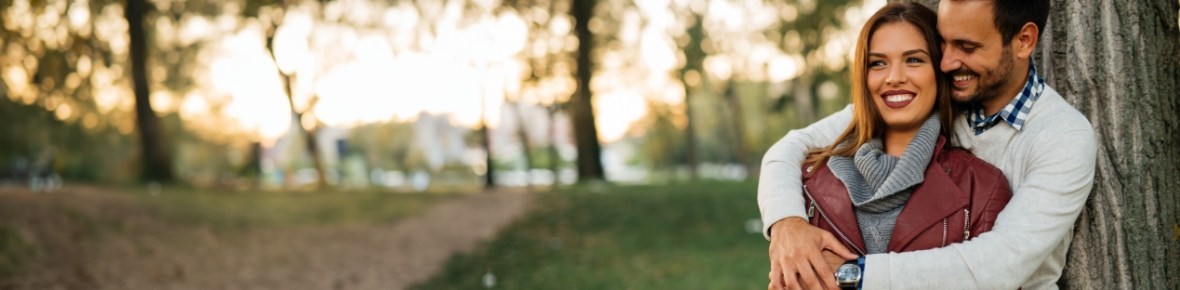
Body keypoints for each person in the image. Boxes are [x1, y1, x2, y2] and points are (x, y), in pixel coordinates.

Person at [760, 0, 1097, 289]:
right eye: (944, 43)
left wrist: (852, 275)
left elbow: (998, 265)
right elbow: (791, 147)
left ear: (1023, 40)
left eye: (966, 47)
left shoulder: (1062, 136)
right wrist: (787, 224)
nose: (947, 62)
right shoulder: (940, 93)